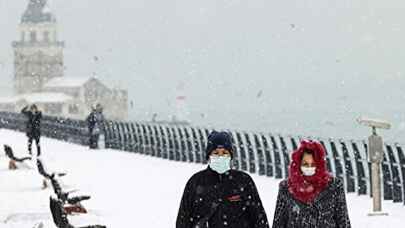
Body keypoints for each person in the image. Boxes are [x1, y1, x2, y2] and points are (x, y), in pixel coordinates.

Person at [176, 131, 269, 228]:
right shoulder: (196, 182)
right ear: (209, 157)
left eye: (225, 153)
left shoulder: (243, 181)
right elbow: (183, 220)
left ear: (231, 156)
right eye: (216, 153)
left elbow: (259, 218)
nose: (220, 157)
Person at [272, 140, 351, 228]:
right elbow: (279, 222)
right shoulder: (286, 188)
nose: (309, 168)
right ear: (298, 164)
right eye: (305, 164)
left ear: (319, 165)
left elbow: (343, 221)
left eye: (313, 164)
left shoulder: (334, 186)